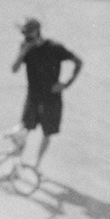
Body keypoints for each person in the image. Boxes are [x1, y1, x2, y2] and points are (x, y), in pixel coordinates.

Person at [9, 18, 81, 174]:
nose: (25, 37)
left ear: (36, 32)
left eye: (28, 33)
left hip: (51, 99)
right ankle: (16, 167)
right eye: (24, 34)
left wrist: (66, 84)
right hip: (33, 97)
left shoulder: (54, 48)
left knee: (47, 133)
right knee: (24, 130)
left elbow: (78, 62)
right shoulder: (25, 47)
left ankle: (36, 165)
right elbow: (14, 69)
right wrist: (23, 52)